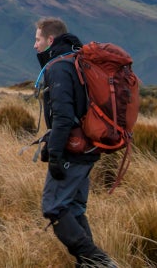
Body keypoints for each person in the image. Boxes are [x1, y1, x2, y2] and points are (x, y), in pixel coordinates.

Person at [34, 17, 116, 267]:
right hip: (90, 147)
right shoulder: (78, 60)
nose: (34, 45)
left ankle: (100, 262)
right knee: (75, 208)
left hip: (74, 149)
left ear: (50, 40)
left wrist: (55, 153)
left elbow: (63, 116)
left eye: (37, 39)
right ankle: (89, 265)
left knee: (54, 207)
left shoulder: (59, 67)